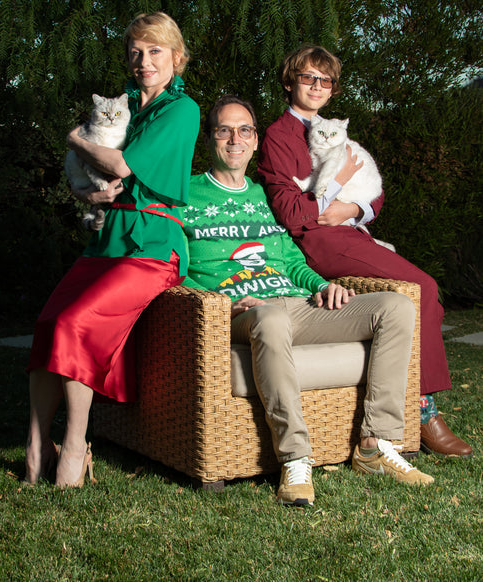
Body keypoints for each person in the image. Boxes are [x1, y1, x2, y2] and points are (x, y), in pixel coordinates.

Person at [181, 94, 434, 507]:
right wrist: (220, 304)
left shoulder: (265, 197)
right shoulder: (185, 196)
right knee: (271, 320)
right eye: (224, 130)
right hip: (241, 312)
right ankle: (296, 457)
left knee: (396, 307)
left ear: (256, 140)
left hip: (297, 303)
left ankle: (376, 444)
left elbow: (293, 261)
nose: (234, 139)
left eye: (244, 130)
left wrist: (321, 285)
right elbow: (173, 267)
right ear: (208, 138)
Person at [257, 44, 472, 458]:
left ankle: (409, 401)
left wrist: (353, 207)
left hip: (350, 232)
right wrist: (330, 201)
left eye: (326, 80)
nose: (317, 86)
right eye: (307, 77)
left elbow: (373, 195)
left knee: (429, 300)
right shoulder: (278, 136)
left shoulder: (334, 129)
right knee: (424, 288)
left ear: (334, 89)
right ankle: (425, 412)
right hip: (319, 242)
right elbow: (291, 213)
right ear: (290, 83)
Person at [25, 12, 200, 487]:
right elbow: (97, 182)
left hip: (151, 245)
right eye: (136, 51)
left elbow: (120, 165)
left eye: (156, 51)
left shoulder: (180, 110)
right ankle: (37, 448)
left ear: (176, 58)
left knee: (73, 323)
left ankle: (76, 448)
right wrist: (85, 194)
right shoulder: (125, 105)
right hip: (105, 238)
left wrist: (73, 138)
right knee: (47, 325)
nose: (144, 61)